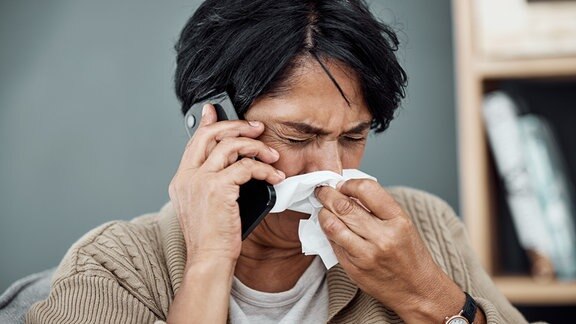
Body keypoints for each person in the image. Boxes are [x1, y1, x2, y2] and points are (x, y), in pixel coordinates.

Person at [27, 0, 532, 323]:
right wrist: (208, 262)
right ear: (213, 121)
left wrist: (432, 299)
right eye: (298, 134)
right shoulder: (116, 266)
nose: (330, 169)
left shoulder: (423, 226)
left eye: (354, 135)